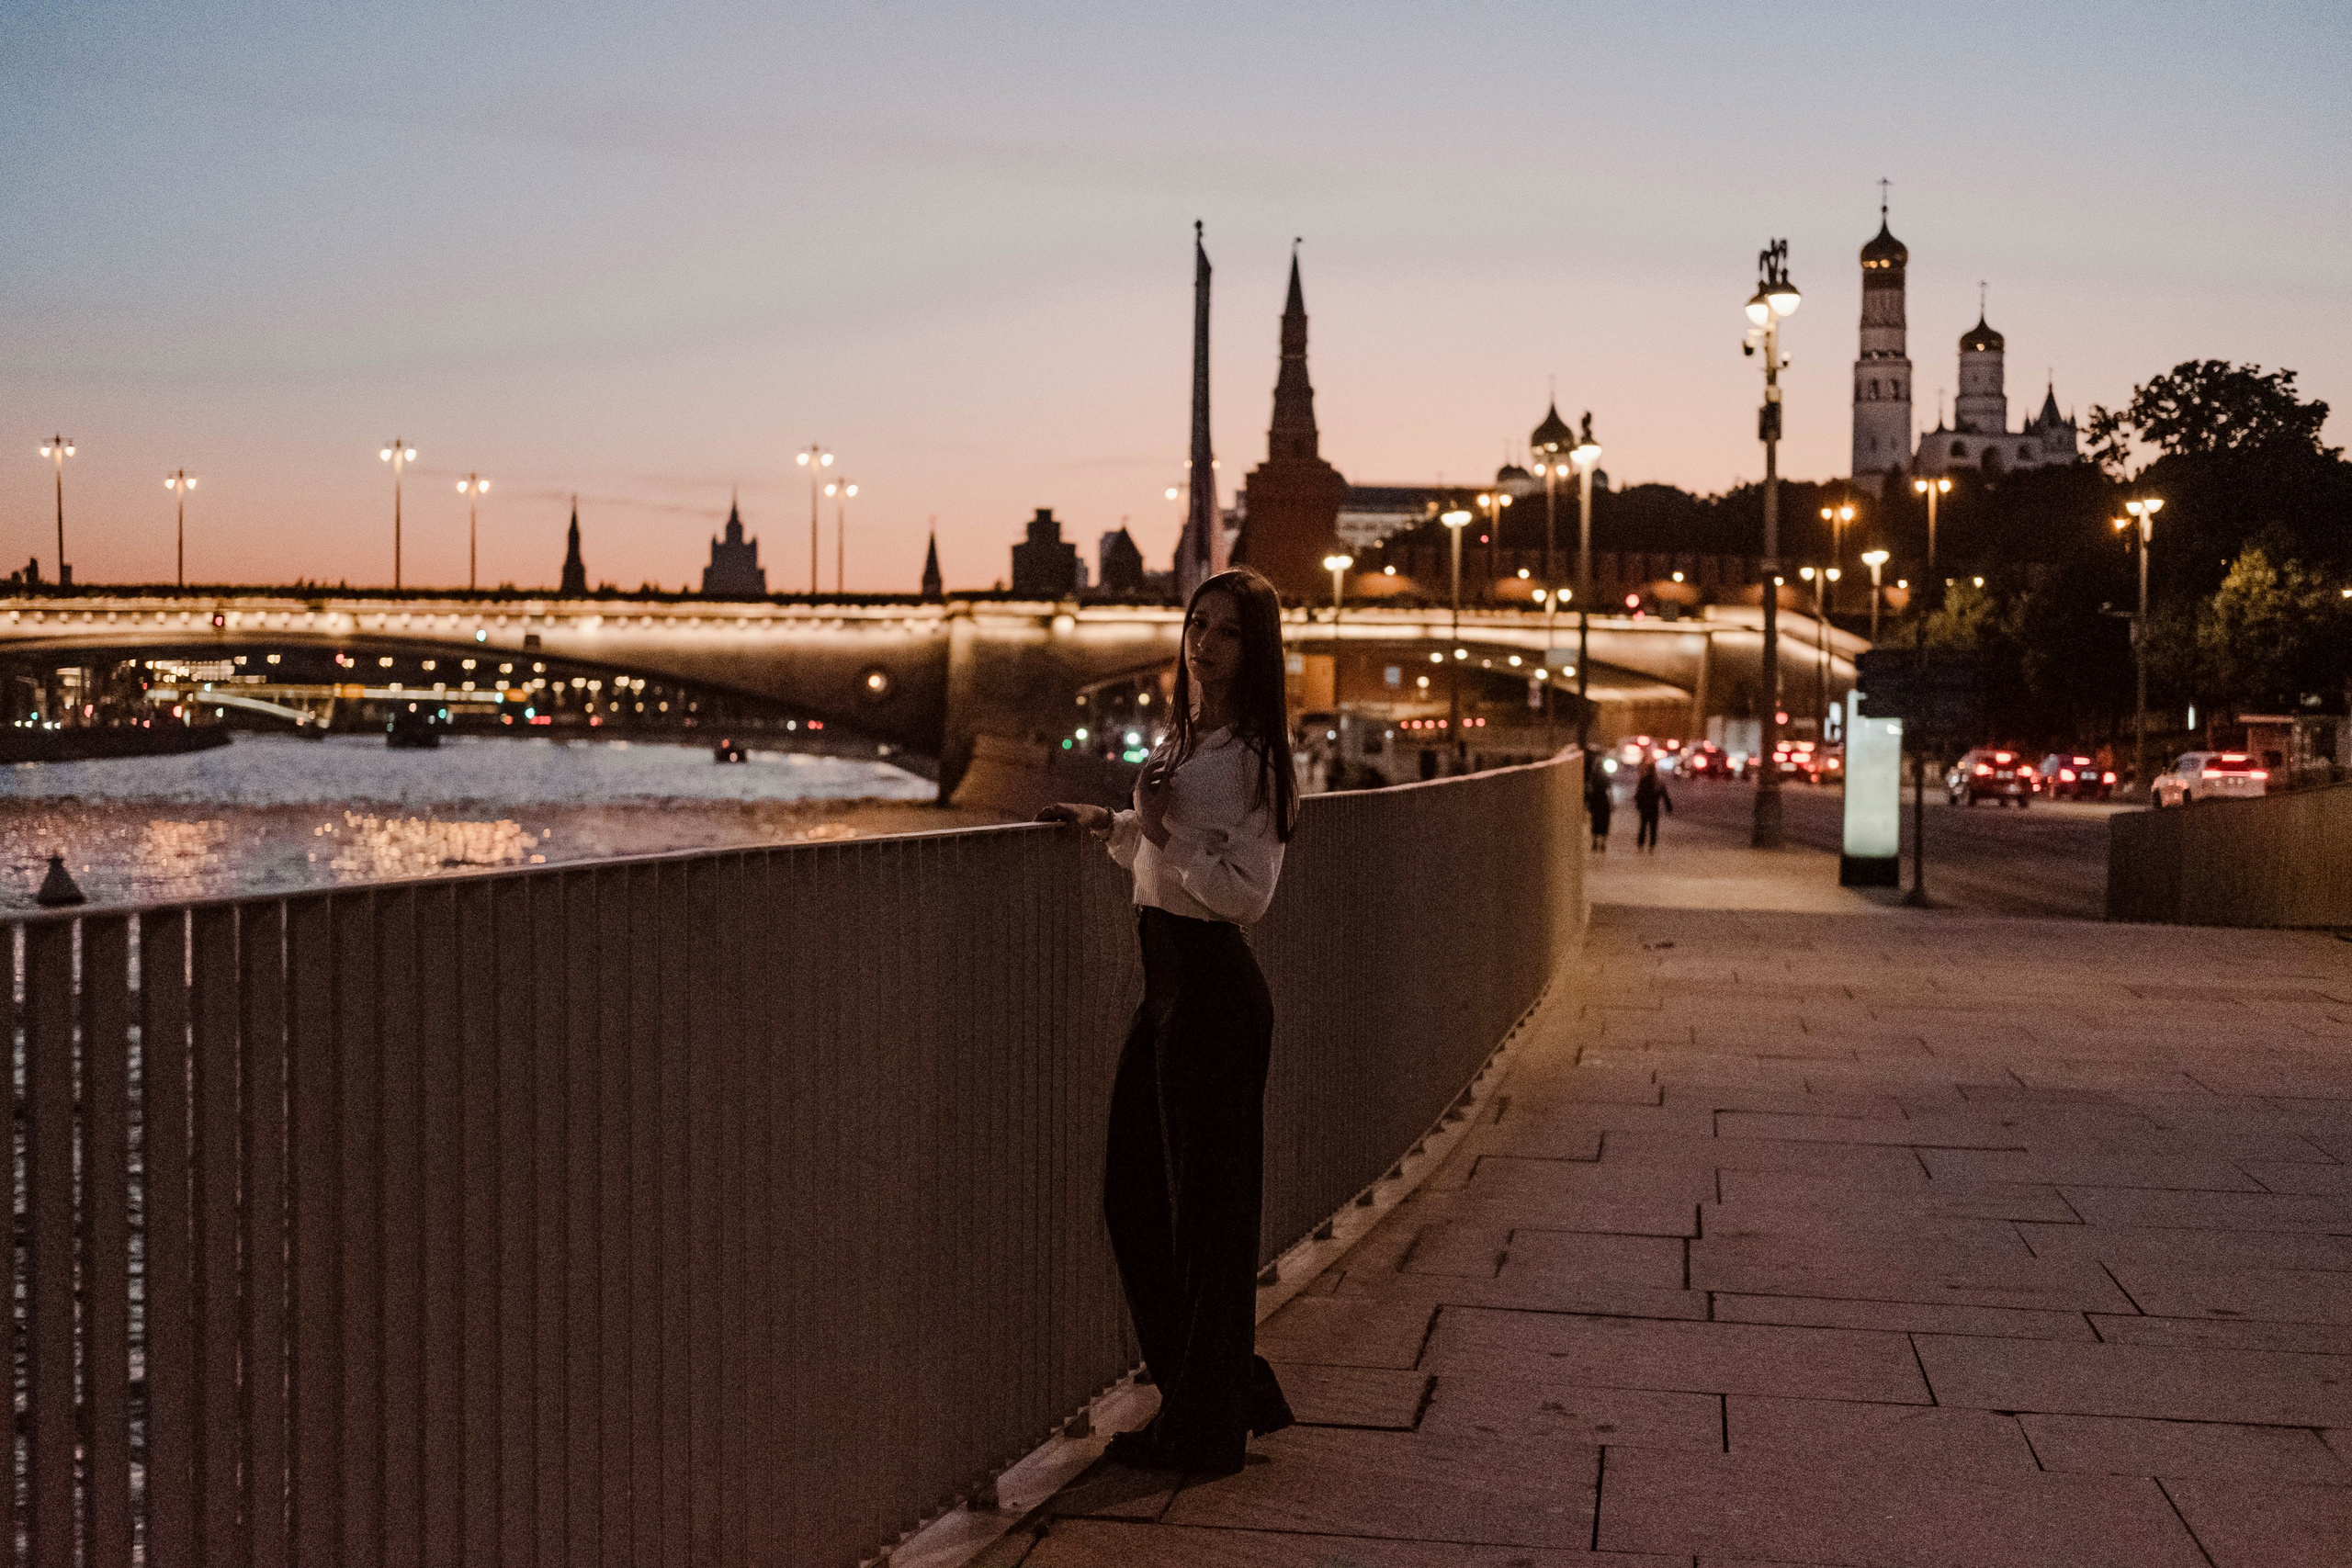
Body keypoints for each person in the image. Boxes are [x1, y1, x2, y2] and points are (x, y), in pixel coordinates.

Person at [1038, 567, 1298, 1475]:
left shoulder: (1256, 755)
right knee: (1135, 1201)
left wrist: (1158, 833)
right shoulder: (1188, 739)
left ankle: (1204, 1428)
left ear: (1253, 649)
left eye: (1225, 632)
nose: (1204, 645)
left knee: (1206, 1223)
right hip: (1167, 988)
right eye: (1197, 627)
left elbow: (1244, 894)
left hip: (1214, 993)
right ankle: (1220, 1388)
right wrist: (1110, 825)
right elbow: (1162, 851)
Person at [1634, 758, 1673, 850]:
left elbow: (1638, 794)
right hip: (1653, 807)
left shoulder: (1644, 780)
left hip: (1645, 807)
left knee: (1643, 826)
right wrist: (1669, 807)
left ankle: (1641, 843)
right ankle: (1652, 844)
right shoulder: (1658, 782)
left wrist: (1639, 805)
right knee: (1653, 827)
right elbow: (1664, 795)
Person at [1585, 762, 1614, 851]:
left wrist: (1588, 803)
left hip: (1595, 802)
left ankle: (1595, 842)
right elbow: (1609, 791)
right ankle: (1603, 843)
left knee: (1595, 822)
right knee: (1604, 823)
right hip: (1604, 802)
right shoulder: (1605, 777)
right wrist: (1611, 803)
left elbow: (1589, 790)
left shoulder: (1593, 778)